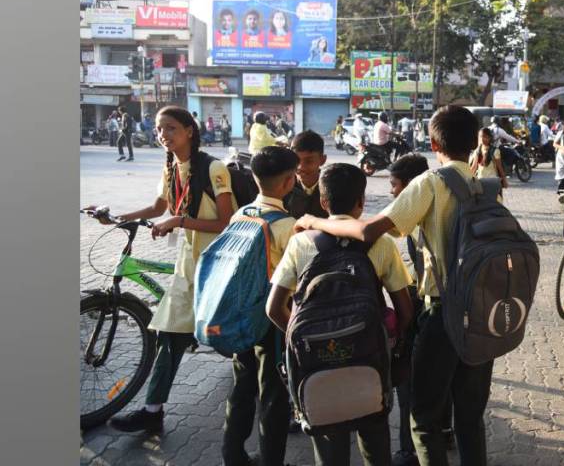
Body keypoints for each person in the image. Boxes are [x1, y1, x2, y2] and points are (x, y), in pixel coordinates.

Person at [292, 105, 493, 466]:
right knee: (469, 417)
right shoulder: (484, 185)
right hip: (481, 317)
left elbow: (369, 231)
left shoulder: (432, 182)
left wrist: (315, 221)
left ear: (434, 143)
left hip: (443, 313)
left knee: (425, 420)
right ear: (474, 145)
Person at [88, 106, 235, 433]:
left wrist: (179, 221)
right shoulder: (170, 168)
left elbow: (226, 222)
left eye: (170, 128)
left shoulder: (215, 169)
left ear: (189, 131)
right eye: (158, 129)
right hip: (188, 260)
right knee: (170, 333)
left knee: (232, 334)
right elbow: (158, 207)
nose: (163, 135)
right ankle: (153, 410)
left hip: (219, 262)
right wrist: (115, 216)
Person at [266, 163, 414, 466]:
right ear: (361, 202)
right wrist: (391, 345)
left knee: (329, 447)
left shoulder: (300, 242)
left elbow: (273, 308)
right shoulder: (382, 244)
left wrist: (302, 339)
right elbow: (405, 310)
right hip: (370, 359)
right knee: (375, 442)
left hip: (317, 364)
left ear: (322, 202)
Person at [221, 146, 298, 466]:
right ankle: (271, 461)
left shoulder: (241, 214)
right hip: (272, 322)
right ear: (289, 181)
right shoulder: (286, 224)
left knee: (241, 388)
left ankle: (233, 455)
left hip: (241, 316)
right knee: (273, 396)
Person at [387, 154, 454, 466]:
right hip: (458, 303)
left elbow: (375, 230)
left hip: (427, 305)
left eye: (394, 185)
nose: (390, 192)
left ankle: (408, 450)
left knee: (411, 384)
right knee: (447, 377)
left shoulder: (415, 214)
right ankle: (446, 429)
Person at [284, 131, 330, 220]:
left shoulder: (330, 188)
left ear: (322, 160)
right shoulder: (284, 188)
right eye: (296, 160)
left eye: (309, 161)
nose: (301, 167)